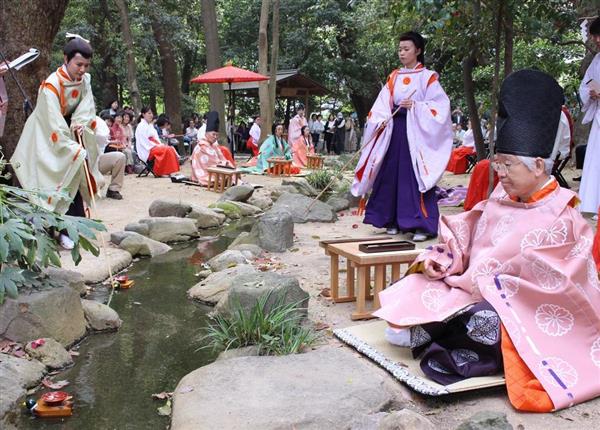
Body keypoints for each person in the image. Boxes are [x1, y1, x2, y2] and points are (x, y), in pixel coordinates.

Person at [374, 69, 600, 412]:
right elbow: (466, 230)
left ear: (538, 165)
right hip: (469, 285)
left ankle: (434, 335)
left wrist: (501, 286)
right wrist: (446, 257)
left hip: (519, 307)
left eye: (508, 166)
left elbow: (567, 284)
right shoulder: (500, 196)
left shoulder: (564, 216)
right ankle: (430, 327)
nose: (501, 174)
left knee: (486, 321)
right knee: (422, 278)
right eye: (499, 165)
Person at [352, 31, 453, 242]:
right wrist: (381, 119)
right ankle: (391, 220)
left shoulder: (428, 77)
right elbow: (382, 103)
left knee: (413, 176)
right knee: (390, 173)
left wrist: (416, 106)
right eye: (400, 49)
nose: (402, 53)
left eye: (406, 49)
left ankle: (421, 225)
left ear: (418, 50)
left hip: (417, 135)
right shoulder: (394, 76)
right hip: (395, 130)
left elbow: (441, 108)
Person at [10, 35, 103, 249]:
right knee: (53, 182)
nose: (82, 70)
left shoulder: (85, 80)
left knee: (74, 178)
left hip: (70, 130)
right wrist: (72, 147)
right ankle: (57, 232)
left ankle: (75, 228)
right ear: (66, 58)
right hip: (46, 135)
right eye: (78, 64)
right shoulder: (51, 85)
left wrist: (80, 123)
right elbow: (52, 121)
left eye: (86, 65)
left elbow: (87, 105)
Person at [578, 17, 600, 216]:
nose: (597, 40)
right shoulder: (597, 60)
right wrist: (591, 92)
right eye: (595, 36)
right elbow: (584, 86)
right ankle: (594, 203)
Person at [190, 111, 234, 186]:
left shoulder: (213, 145)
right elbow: (214, 162)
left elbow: (221, 158)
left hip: (213, 166)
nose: (215, 137)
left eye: (217, 135)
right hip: (204, 172)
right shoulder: (203, 145)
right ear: (206, 133)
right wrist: (226, 164)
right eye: (213, 134)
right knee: (227, 174)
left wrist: (226, 163)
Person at [134, 107, 179, 176]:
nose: (151, 115)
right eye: (149, 113)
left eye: (151, 113)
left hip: (153, 145)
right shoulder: (141, 126)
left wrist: (159, 144)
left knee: (169, 148)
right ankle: (163, 171)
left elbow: (156, 138)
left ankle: (169, 171)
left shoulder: (150, 125)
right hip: (147, 149)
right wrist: (156, 145)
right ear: (143, 114)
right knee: (167, 149)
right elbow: (144, 142)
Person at [95, 115, 125, 199]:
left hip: (96, 161)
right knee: (99, 182)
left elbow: (102, 138)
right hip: (79, 163)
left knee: (120, 157)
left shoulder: (98, 121)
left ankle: (113, 189)